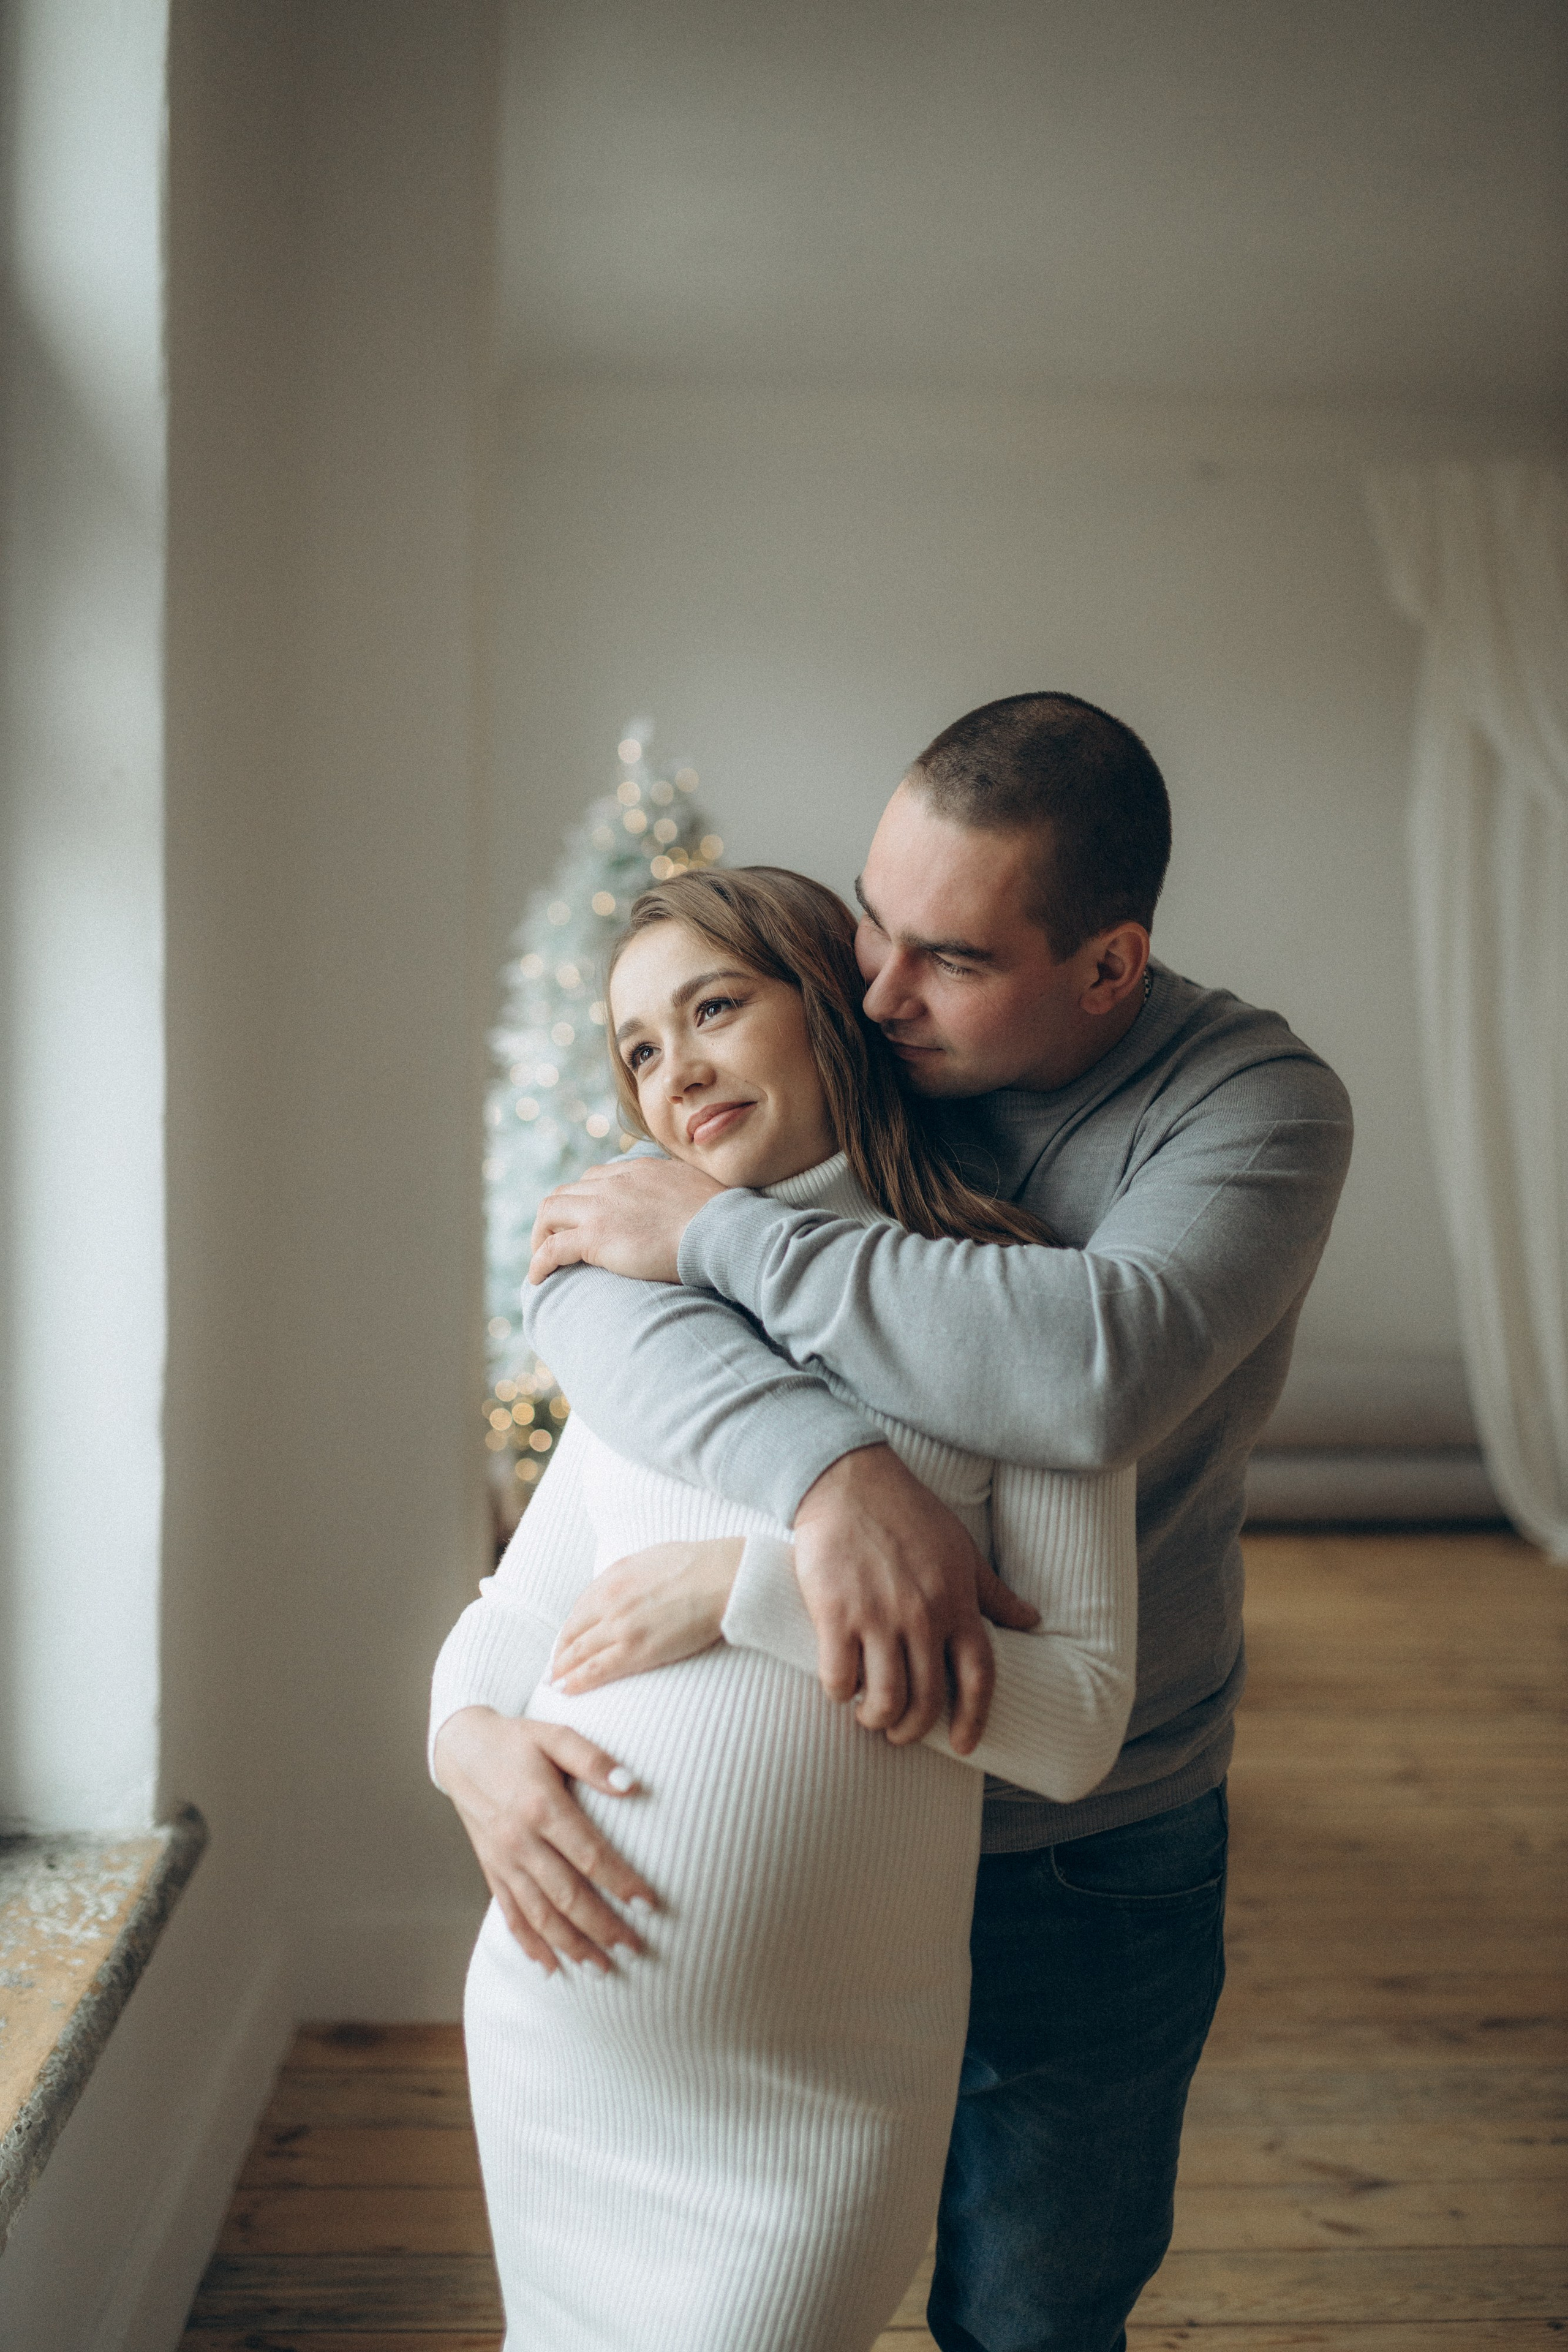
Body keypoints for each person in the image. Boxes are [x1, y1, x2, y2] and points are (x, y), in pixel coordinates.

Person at [519, 693, 1355, 2352]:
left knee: (1036, 2315)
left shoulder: (1251, 1109)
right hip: (796, 1867)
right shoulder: (852, 1038)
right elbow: (584, 1289)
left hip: (1085, 1838)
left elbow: (1092, 1370)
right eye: (871, 923)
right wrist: (838, 1485)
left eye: (951, 959)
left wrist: (726, 1246)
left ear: (1108, 966)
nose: (881, 992)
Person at [431, 865, 1141, 2352]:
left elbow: (1073, 1725)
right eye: (636, 1046)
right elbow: (510, 1618)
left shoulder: (1008, 1304)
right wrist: (466, 1752)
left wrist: (746, 1591)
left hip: (819, 2092)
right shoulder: (649, 1316)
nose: (673, 1066)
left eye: (711, 1007)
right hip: (559, 2042)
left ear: (828, 1005)